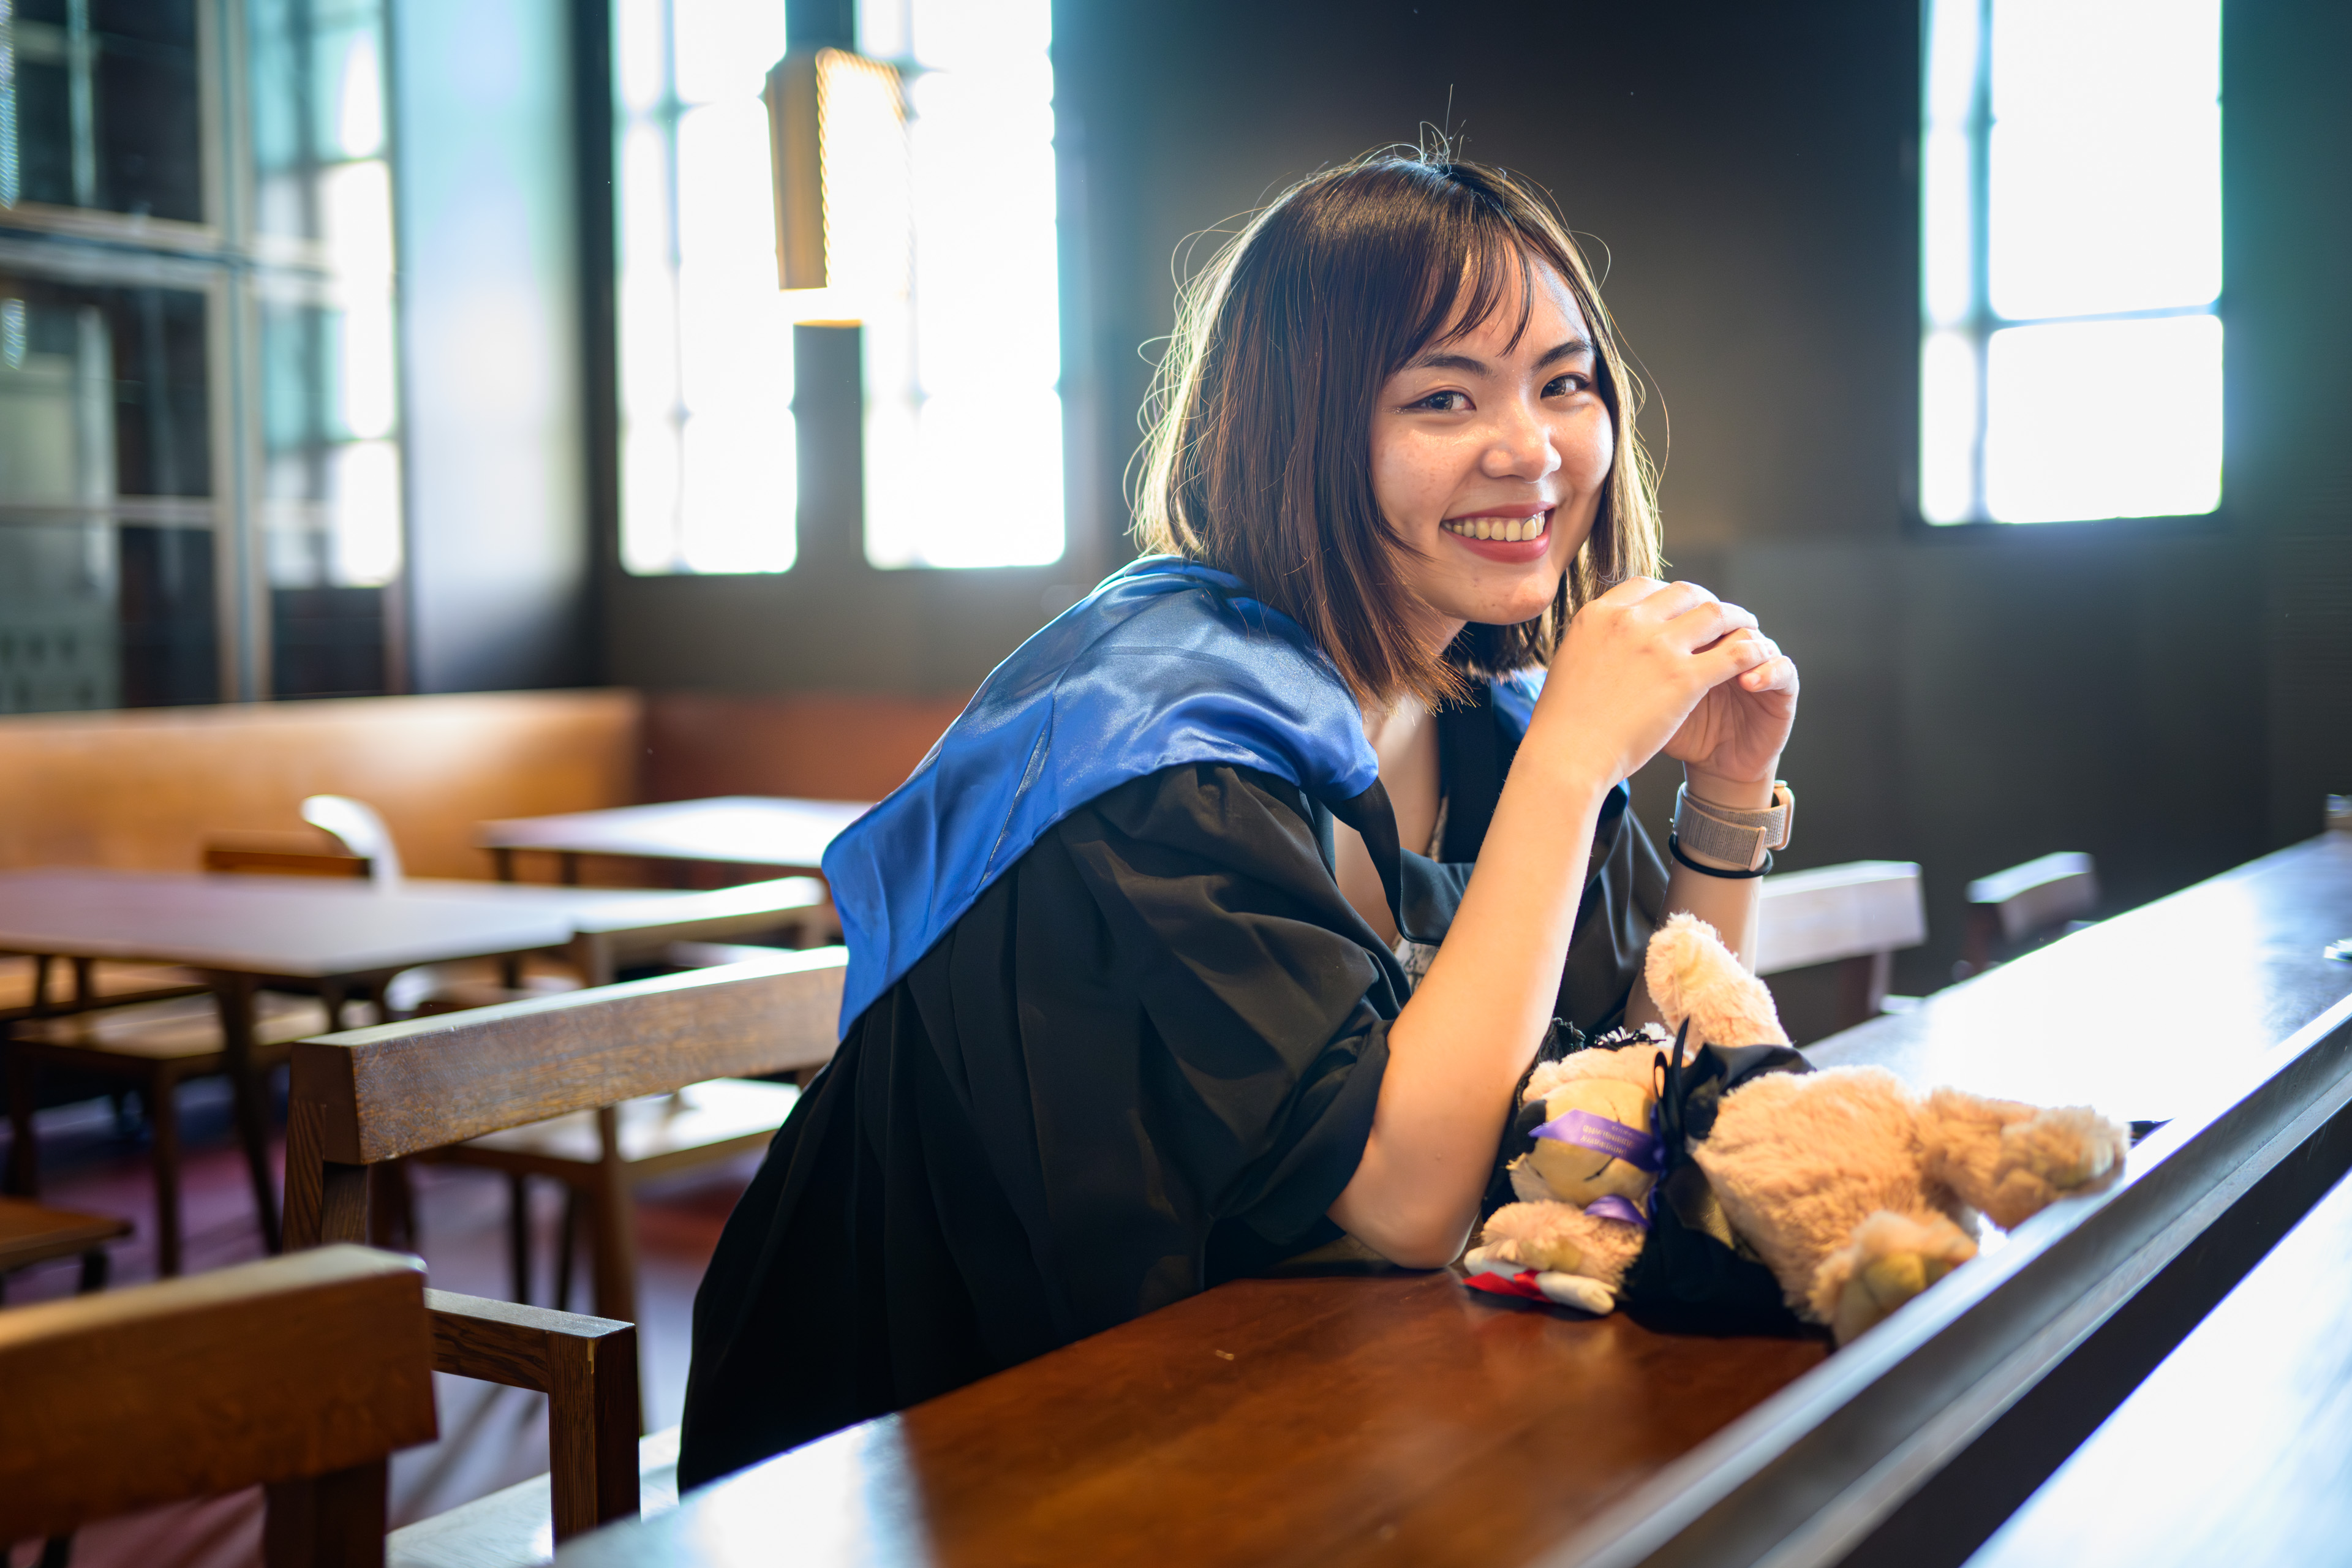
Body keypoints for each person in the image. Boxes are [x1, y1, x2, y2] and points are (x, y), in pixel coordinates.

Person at [678, 151, 1800, 1485]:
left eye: (1565, 383)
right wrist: (1573, 767)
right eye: (1444, 396)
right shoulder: (1159, 743)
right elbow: (1403, 1199)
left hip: (1283, 1378)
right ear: (1300, 427)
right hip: (936, 1444)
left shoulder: (1485, 718)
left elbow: (1630, 1102)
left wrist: (1724, 798)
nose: (1533, 447)